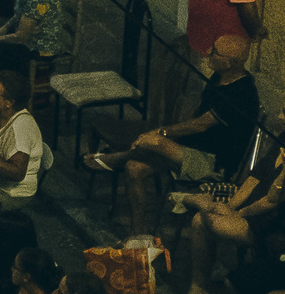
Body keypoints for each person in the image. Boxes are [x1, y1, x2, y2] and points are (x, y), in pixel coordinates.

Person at [92, 32, 260, 236]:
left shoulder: (241, 93)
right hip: (192, 150)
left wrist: (162, 132)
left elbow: (200, 125)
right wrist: (173, 135)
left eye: (215, 52)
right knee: (134, 168)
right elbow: (195, 116)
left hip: (213, 163)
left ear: (230, 63)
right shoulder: (219, 77)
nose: (208, 54)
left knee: (152, 141)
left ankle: (115, 158)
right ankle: (139, 232)